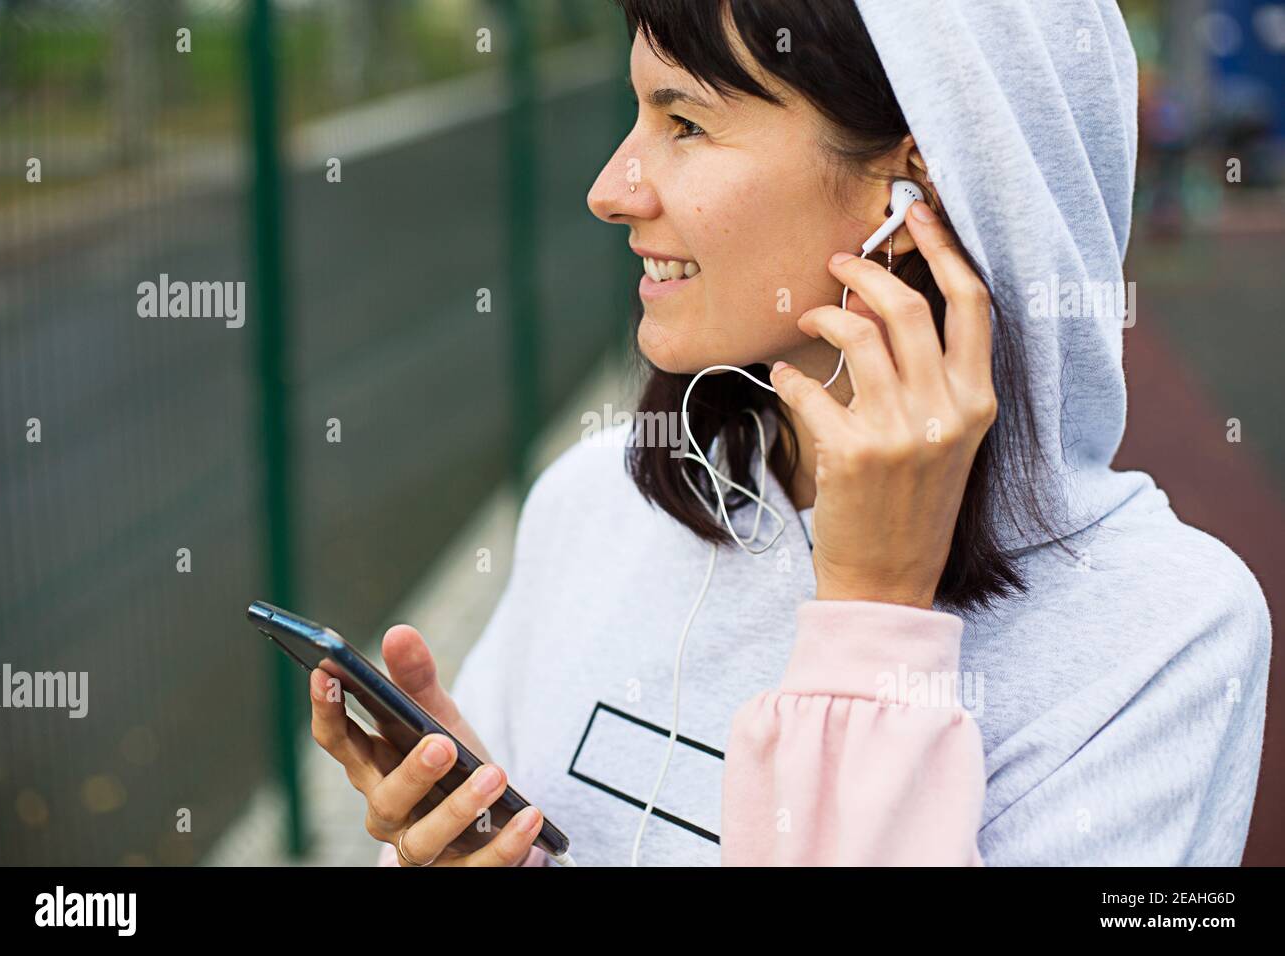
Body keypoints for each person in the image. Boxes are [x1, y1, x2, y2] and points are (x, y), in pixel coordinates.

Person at [309, 0, 1271, 867]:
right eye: (636, 115)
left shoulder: (1167, 635)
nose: (612, 189)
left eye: (685, 124)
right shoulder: (590, 500)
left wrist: (873, 619)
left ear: (914, 187)